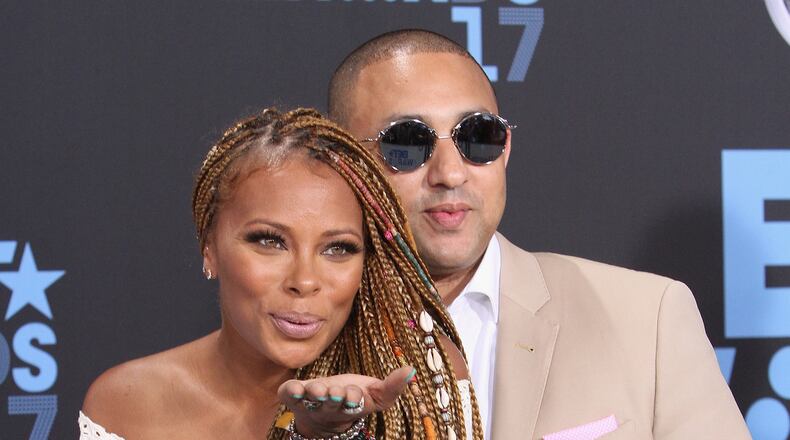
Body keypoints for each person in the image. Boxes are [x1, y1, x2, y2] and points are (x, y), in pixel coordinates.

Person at [327, 29, 751, 439]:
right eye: (407, 144)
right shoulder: (300, 332)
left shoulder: (647, 319)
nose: (451, 173)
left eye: (477, 137)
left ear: (506, 148)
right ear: (342, 161)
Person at [79, 108, 484, 440]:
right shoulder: (126, 405)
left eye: (338, 248)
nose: (304, 280)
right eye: (270, 241)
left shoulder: (422, 380)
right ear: (210, 247)